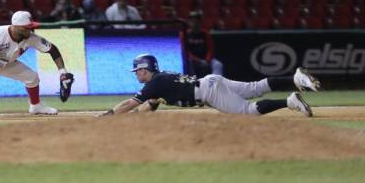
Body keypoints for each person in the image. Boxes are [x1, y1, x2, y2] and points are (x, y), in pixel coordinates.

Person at [97, 54, 320, 118]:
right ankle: (295, 78)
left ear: (144, 69)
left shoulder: (154, 83)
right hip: (212, 81)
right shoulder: (160, 81)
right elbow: (149, 106)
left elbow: (130, 102)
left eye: (137, 71)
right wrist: (135, 118)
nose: (136, 75)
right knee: (255, 87)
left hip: (208, 91)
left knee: (248, 111)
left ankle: (289, 101)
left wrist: (110, 115)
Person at [182, 10, 223, 78]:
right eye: (193, 21)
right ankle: (193, 85)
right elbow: (186, 52)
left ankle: (215, 84)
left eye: (197, 21)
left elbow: (210, 49)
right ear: (189, 22)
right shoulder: (184, 34)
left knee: (218, 64)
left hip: (205, 59)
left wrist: (207, 60)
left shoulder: (205, 34)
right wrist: (199, 61)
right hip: (191, 60)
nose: (195, 23)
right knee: (189, 64)